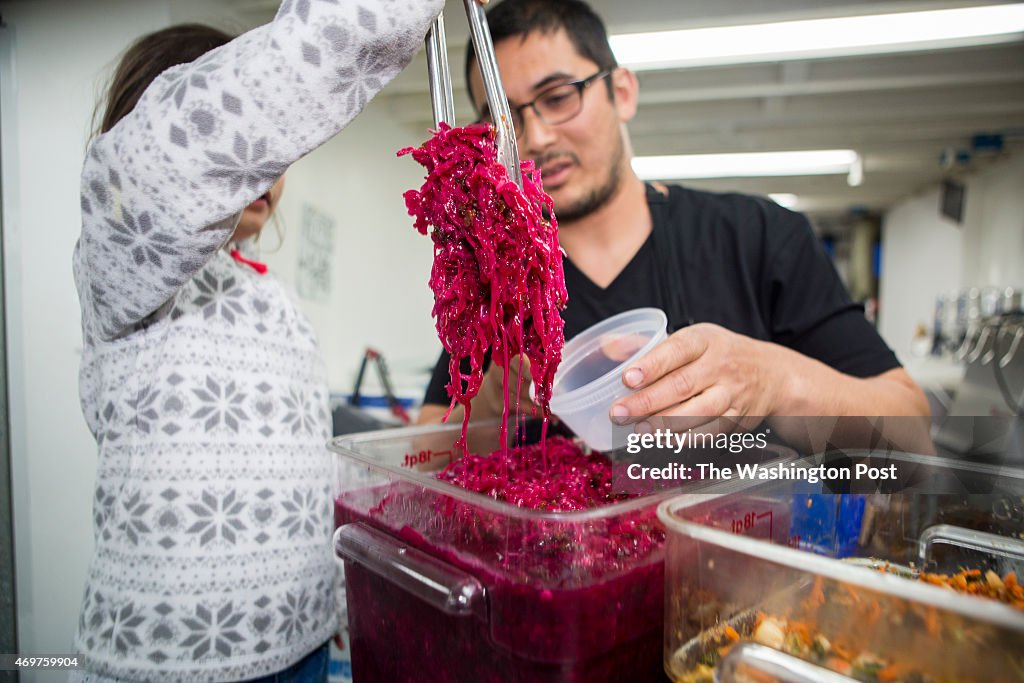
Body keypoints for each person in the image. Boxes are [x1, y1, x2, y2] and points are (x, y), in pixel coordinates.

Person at [71, 2, 447, 681]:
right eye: (255, 145)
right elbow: (191, 143)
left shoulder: (275, 301)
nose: (266, 168)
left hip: (302, 646)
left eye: (278, 152)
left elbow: (303, 474)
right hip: (171, 659)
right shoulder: (121, 270)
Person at [417, 0, 930, 453]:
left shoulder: (759, 236)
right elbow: (421, 456)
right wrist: (491, 401)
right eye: (504, 118)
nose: (537, 137)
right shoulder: (500, 282)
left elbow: (913, 439)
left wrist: (774, 382)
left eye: (558, 97)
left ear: (622, 91)